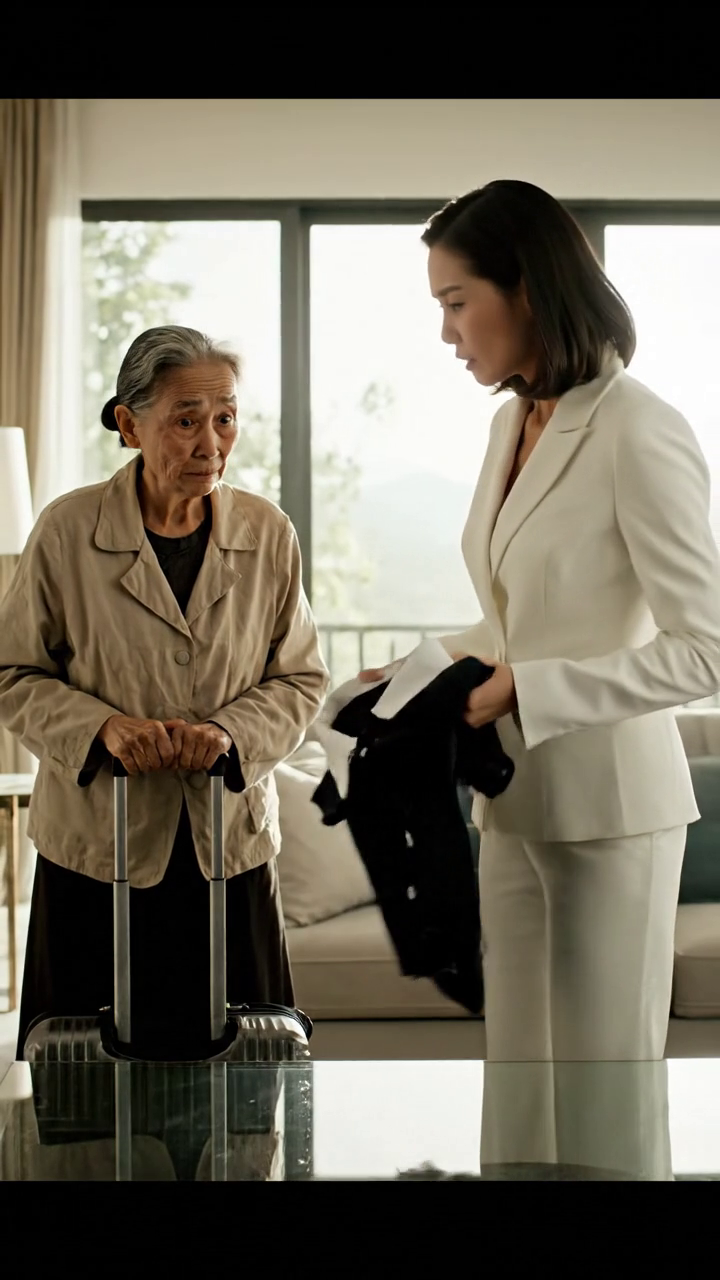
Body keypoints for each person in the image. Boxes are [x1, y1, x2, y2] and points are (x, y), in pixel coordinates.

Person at [362, 180, 720, 1062]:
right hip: (512, 805)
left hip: (612, 813)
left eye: (456, 302)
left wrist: (532, 689)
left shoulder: (639, 429)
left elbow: (705, 649)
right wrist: (421, 672)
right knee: (520, 1077)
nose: (446, 332)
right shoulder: (510, 424)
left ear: (524, 287)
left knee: (604, 1084)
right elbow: (515, 618)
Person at [0, 325, 329, 1057]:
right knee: (82, 1079)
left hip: (229, 846)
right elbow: (12, 672)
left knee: (244, 1085)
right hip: (95, 845)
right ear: (128, 422)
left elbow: (301, 676)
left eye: (225, 417)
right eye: (185, 419)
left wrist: (233, 734)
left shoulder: (269, 533)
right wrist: (101, 727)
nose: (210, 441)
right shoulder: (66, 530)